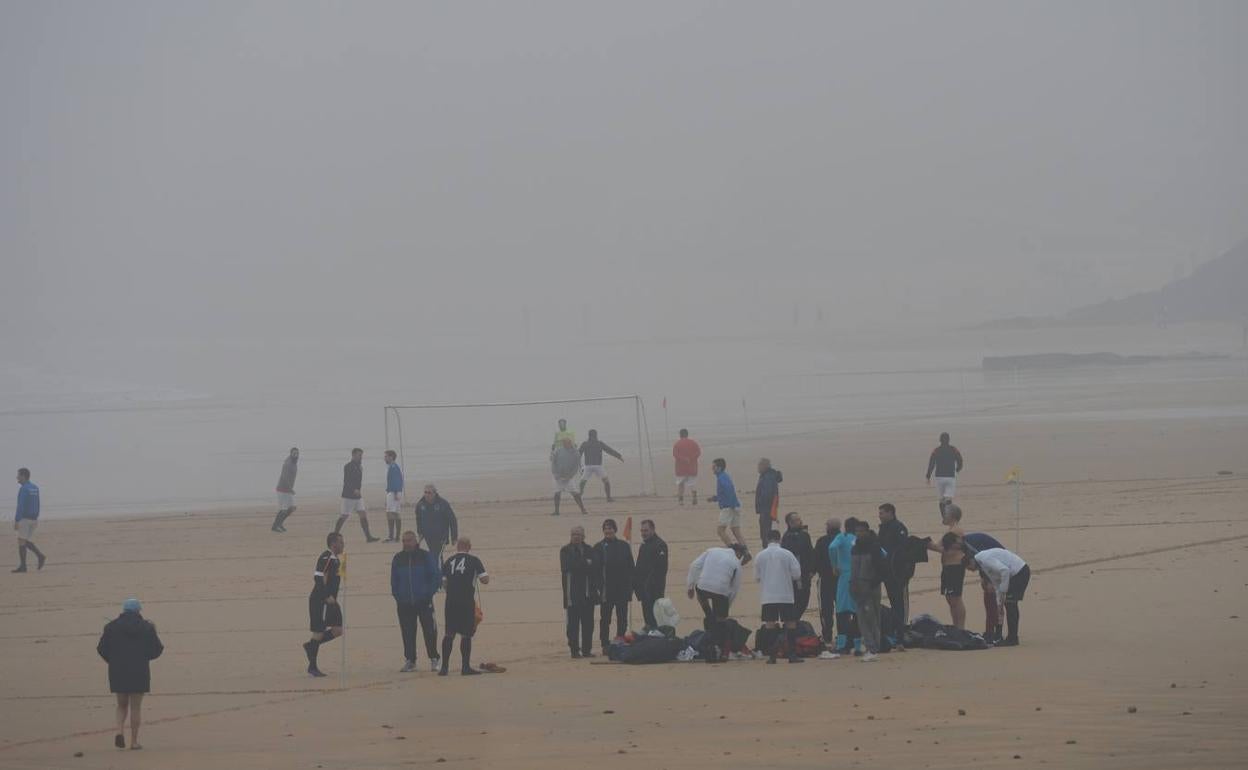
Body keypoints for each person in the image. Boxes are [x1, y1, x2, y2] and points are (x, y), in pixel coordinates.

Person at [97, 598, 163, 750]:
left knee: (121, 705)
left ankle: (119, 731)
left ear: (124, 610)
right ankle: (134, 741)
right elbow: (157, 649)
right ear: (138, 611)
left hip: (118, 670)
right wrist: (145, 657)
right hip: (139, 670)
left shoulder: (111, 627)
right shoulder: (147, 627)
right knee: (135, 707)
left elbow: (101, 649)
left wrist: (112, 660)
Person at [391, 530, 441, 673]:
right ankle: (410, 660)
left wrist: (428, 594)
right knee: (407, 632)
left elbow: (436, 576)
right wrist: (398, 596)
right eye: (404, 541)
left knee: (430, 631)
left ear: (415, 541)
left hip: (424, 601)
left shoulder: (425, 556)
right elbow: (394, 580)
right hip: (404, 603)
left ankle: (434, 659)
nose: (406, 543)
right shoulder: (398, 558)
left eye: (409, 540)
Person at [440, 537, 489, 675]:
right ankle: (465, 667)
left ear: (458, 547)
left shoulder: (449, 561)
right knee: (466, 635)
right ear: (469, 546)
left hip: (450, 602)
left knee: (449, 634)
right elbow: (485, 580)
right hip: (466, 601)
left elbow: (444, 584)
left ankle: (444, 668)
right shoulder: (474, 561)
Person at [754, 530, 804, 664]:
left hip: (768, 595)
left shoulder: (760, 556)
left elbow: (757, 577)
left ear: (767, 539)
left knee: (770, 624)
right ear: (779, 539)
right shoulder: (787, 554)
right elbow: (796, 574)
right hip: (785, 594)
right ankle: (792, 655)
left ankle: (772, 656)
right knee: (790, 623)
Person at [965, 545, 1030, 646]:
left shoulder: (985, 559)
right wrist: (998, 597)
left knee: (1010, 604)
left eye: (969, 568)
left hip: (1019, 572)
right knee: (1007, 604)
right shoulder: (982, 563)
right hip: (1013, 575)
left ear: (971, 561)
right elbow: (995, 581)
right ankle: (1006, 636)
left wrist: (1003, 590)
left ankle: (1013, 638)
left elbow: (1004, 571)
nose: (971, 570)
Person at [303, 533, 345, 677]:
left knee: (338, 630)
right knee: (319, 632)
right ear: (333, 544)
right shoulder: (326, 557)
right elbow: (318, 576)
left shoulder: (336, 560)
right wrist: (326, 595)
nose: (343, 544)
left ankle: (311, 646)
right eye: (341, 542)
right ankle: (312, 667)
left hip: (332, 601)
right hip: (320, 601)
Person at [686, 543, 748, 628]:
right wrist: (726, 607)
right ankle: (718, 625)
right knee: (721, 620)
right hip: (721, 591)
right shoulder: (736, 562)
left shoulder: (712, 550)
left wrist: (690, 586)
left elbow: (694, 566)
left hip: (703, 587)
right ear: (738, 553)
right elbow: (734, 589)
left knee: (700, 592)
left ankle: (708, 614)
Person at [849, 522, 888, 662]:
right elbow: (853, 570)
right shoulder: (854, 548)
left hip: (870, 587)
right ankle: (870, 645)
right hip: (857, 586)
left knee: (872, 617)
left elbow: (883, 568)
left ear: (867, 531)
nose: (859, 534)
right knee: (862, 618)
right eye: (856, 531)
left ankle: (873, 647)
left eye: (861, 531)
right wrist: (852, 585)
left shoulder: (875, 547)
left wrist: (873, 583)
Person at [560, 526, 599, 658]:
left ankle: (587, 650)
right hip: (572, 594)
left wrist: (583, 564)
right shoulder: (565, 550)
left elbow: (594, 566)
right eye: (573, 534)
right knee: (572, 626)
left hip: (588, 594)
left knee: (588, 624)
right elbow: (568, 566)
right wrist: (585, 563)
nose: (575, 536)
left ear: (583, 536)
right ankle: (574, 651)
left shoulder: (589, 549)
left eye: (578, 534)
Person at [595, 519, 635, 647]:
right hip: (606, 590)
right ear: (603, 530)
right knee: (605, 619)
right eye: (606, 528)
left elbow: (631, 567)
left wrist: (631, 586)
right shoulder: (599, 547)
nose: (608, 530)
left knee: (622, 617)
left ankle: (620, 639)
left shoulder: (624, 545)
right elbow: (595, 570)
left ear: (615, 530)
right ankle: (604, 643)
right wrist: (598, 587)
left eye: (611, 528)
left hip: (622, 589)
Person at [930, 503, 969, 629]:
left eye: (945, 514)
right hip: (947, 567)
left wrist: (930, 545)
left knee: (956, 598)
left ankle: (960, 627)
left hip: (955, 566)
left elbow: (945, 549)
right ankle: (956, 626)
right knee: (950, 598)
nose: (943, 516)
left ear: (952, 516)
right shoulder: (951, 530)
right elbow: (941, 547)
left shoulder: (956, 530)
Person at [963, 528, 1006, 641]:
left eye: (969, 568)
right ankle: (990, 631)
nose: (970, 571)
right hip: (992, 562)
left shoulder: (971, 547)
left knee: (993, 597)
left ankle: (995, 633)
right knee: (988, 595)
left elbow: (986, 560)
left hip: (1001, 565)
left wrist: (989, 581)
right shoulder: (968, 548)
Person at [827, 516, 860, 654]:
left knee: (842, 612)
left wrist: (834, 565)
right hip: (859, 577)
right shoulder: (860, 539)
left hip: (845, 577)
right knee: (857, 612)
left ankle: (842, 645)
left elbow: (832, 547)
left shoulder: (842, 537)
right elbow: (882, 553)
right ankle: (858, 646)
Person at [877, 503, 911, 626]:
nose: (879, 516)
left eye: (882, 513)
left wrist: (903, 571)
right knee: (893, 600)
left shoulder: (899, 527)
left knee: (900, 602)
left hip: (899, 573)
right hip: (886, 572)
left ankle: (903, 627)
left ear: (890, 513)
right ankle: (896, 627)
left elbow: (903, 550)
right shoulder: (882, 529)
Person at [336, 448, 378, 542]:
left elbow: (358, 481)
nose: (361, 457)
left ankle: (368, 537)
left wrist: (358, 490)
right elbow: (346, 481)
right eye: (359, 455)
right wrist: (353, 489)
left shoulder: (359, 466)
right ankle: (334, 535)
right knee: (344, 516)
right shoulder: (348, 466)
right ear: (353, 455)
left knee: (363, 514)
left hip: (358, 496)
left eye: (361, 455)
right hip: (348, 496)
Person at [633, 519, 668, 630]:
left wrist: (649, 585)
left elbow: (661, 570)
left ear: (652, 530)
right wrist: (636, 584)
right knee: (647, 619)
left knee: (656, 620)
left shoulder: (660, 545)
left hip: (655, 591)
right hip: (644, 590)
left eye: (646, 530)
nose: (643, 533)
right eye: (642, 531)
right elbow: (639, 567)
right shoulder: (644, 545)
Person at [780, 511, 814, 618]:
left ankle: (795, 621)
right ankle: (793, 622)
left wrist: (812, 570)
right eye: (798, 520)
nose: (801, 522)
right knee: (798, 599)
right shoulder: (787, 537)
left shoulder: (804, 535)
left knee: (804, 599)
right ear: (790, 523)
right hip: (794, 575)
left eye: (800, 519)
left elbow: (810, 552)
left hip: (805, 574)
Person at [708, 458, 747, 550]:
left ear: (719, 468)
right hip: (734, 505)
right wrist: (714, 498)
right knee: (736, 530)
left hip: (728, 507)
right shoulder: (724, 476)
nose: (712, 469)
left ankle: (733, 549)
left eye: (714, 467)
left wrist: (732, 505)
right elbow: (725, 493)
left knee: (720, 531)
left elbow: (729, 490)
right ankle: (745, 552)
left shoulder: (722, 478)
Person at [813, 518, 841, 644]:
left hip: (826, 579)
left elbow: (816, 559)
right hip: (842, 579)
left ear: (828, 527)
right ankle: (843, 635)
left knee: (826, 610)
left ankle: (827, 636)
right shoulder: (845, 540)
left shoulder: (822, 541)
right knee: (842, 609)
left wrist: (815, 571)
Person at [415, 484, 459, 563]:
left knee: (437, 556)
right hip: (427, 537)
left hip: (441, 537)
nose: (427, 495)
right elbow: (418, 519)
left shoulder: (443, 504)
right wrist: (420, 532)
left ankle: (439, 573)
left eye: (429, 493)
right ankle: (435, 573)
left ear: (435, 493)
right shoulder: (420, 505)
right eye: (425, 492)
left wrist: (454, 537)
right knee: (429, 557)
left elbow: (452, 520)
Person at [13, 468, 44, 572]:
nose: (17, 477)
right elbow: (38, 503)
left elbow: (20, 506)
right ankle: (39, 556)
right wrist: (36, 516)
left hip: (25, 519)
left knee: (21, 541)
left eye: (18, 475)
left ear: (23, 476)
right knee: (25, 541)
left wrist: (17, 520)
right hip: (34, 519)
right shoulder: (35, 488)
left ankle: (24, 566)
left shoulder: (24, 489)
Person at [578, 429, 624, 502]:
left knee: (582, 481)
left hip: (588, 466)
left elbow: (578, 454)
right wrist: (619, 456)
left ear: (589, 435)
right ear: (596, 435)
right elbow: (609, 450)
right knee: (606, 481)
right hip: (598, 466)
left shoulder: (585, 444)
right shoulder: (599, 443)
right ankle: (608, 498)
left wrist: (574, 463)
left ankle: (579, 495)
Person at [926, 432, 964, 507]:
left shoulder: (936, 450)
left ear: (940, 440)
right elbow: (960, 460)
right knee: (948, 499)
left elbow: (931, 464)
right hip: (950, 476)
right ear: (949, 440)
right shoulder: (953, 449)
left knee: (941, 499)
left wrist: (928, 476)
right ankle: (948, 516)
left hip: (939, 477)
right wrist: (958, 469)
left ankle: (944, 516)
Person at [551, 438, 588, 516]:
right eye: (564, 443)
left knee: (575, 493)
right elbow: (554, 462)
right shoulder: (558, 451)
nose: (566, 444)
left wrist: (570, 476)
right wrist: (555, 474)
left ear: (570, 443)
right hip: (558, 476)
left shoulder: (575, 453)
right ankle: (556, 511)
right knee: (557, 493)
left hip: (569, 477)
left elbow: (576, 466)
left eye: (568, 443)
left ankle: (583, 509)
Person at [754, 458, 783, 548]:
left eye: (759, 465)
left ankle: (767, 550)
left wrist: (762, 507)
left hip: (767, 510)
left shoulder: (768, 477)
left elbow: (768, 494)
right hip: (768, 510)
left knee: (766, 534)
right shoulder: (767, 475)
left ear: (765, 466)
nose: (758, 468)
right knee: (766, 533)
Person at [271, 448, 299, 533]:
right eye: (294, 453)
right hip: (283, 489)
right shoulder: (288, 464)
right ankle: (275, 526)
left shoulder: (294, 462)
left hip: (288, 490)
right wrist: (290, 489)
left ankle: (279, 524)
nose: (295, 455)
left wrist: (290, 489)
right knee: (283, 510)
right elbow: (284, 477)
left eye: (297, 453)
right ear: (291, 454)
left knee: (292, 508)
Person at [672, 428, 701, 505]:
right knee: (692, 483)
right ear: (687, 434)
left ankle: (681, 500)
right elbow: (698, 452)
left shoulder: (677, 444)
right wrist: (690, 459)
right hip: (692, 467)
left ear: (680, 435)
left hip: (680, 468)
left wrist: (683, 459)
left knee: (681, 484)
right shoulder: (694, 443)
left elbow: (675, 455)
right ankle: (694, 497)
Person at [383, 450, 405, 543]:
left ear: (391, 457)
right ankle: (395, 537)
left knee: (391, 513)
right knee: (395, 513)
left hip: (393, 492)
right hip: (394, 491)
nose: (385, 458)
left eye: (386, 456)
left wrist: (395, 492)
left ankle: (392, 537)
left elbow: (397, 480)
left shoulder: (393, 467)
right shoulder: (393, 467)